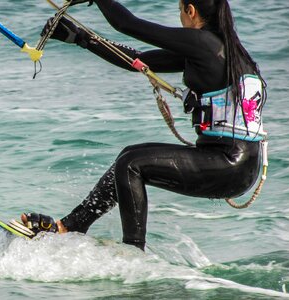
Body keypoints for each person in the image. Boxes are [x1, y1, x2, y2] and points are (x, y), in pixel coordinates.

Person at [20, 0, 267, 251]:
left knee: (132, 164)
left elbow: (127, 24)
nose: (180, 17)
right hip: (239, 164)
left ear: (190, 10)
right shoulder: (221, 50)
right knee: (127, 157)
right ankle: (72, 225)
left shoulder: (203, 43)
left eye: (180, 10)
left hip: (229, 162)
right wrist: (82, 39)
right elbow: (137, 61)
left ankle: (133, 253)